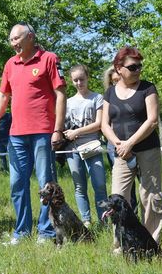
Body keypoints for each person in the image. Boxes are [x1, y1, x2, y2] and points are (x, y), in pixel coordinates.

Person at [0, 22, 66, 245]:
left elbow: (60, 95)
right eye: (11, 40)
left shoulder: (49, 58)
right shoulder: (10, 64)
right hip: (16, 134)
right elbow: (3, 96)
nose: (13, 44)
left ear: (30, 37)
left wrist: (58, 129)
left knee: (46, 185)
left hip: (43, 132)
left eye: (17, 39)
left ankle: (46, 231)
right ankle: (21, 232)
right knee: (17, 184)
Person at [101, 46, 162, 242]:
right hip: (121, 153)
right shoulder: (110, 92)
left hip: (147, 150)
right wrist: (118, 144)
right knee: (117, 198)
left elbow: (152, 120)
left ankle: (150, 242)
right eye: (132, 67)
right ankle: (120, 242)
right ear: (118, 68)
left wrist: (130, 143)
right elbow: (104, 124)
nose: (138, 70)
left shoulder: (148, 88)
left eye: (139, 66)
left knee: (150, 197)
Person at [63, 64, 107, 227]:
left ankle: (104, 219)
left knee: (100, 184)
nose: (79, 83)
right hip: (73, 149)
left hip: (93, 146)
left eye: (81, 79)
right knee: (79, 186)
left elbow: (99, 123)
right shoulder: (68, 102)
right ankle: (86, 220)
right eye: (75, 80)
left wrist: (77, 132)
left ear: (87, 77)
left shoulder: (97, 98)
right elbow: (63, 125)